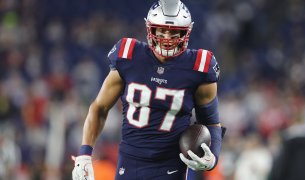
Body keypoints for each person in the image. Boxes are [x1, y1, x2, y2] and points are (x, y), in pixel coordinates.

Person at [72, 0, 225, 179]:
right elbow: (99, 108)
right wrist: (84, 154)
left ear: (186, 32)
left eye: (174, 32)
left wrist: (212, 158)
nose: (167, 37)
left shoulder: (200, 66)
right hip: (129, 163)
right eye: (161, 30)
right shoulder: (128, 55)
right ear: (149, 28)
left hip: (171, 167)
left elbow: (211, 122)